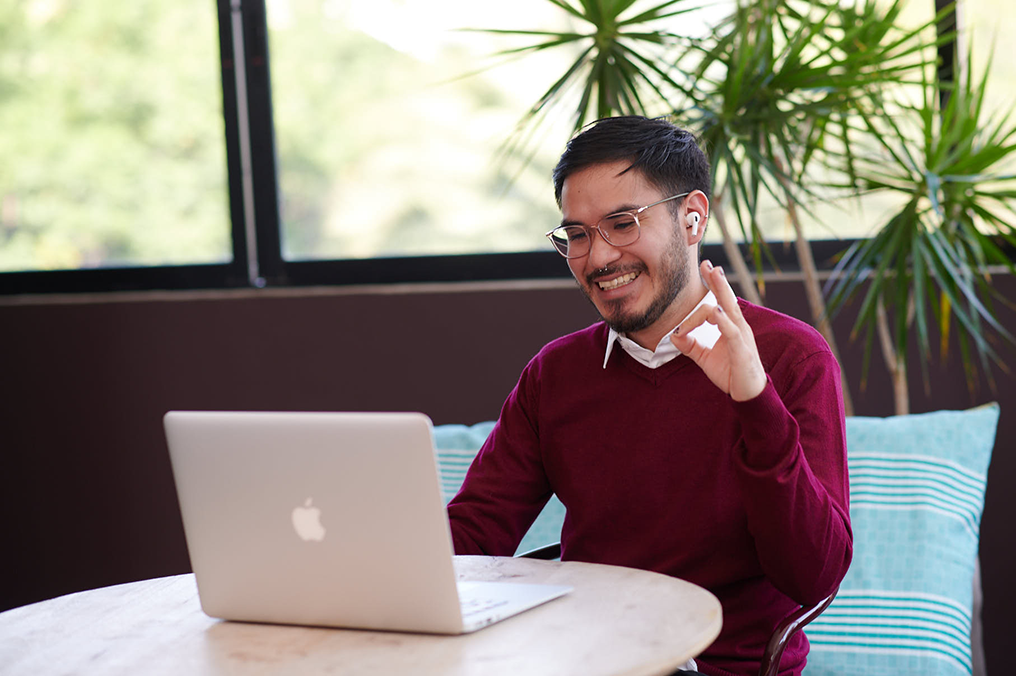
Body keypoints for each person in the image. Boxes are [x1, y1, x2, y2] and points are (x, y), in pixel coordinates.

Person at [446, 115, 852, 676]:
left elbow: (814, 575)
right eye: (579, 235)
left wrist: (756, 402)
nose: (598, 257)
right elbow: (474, 533)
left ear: (692, 217)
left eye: (622, 223)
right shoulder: (556, 374)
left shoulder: (791, 358)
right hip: (584, 658)